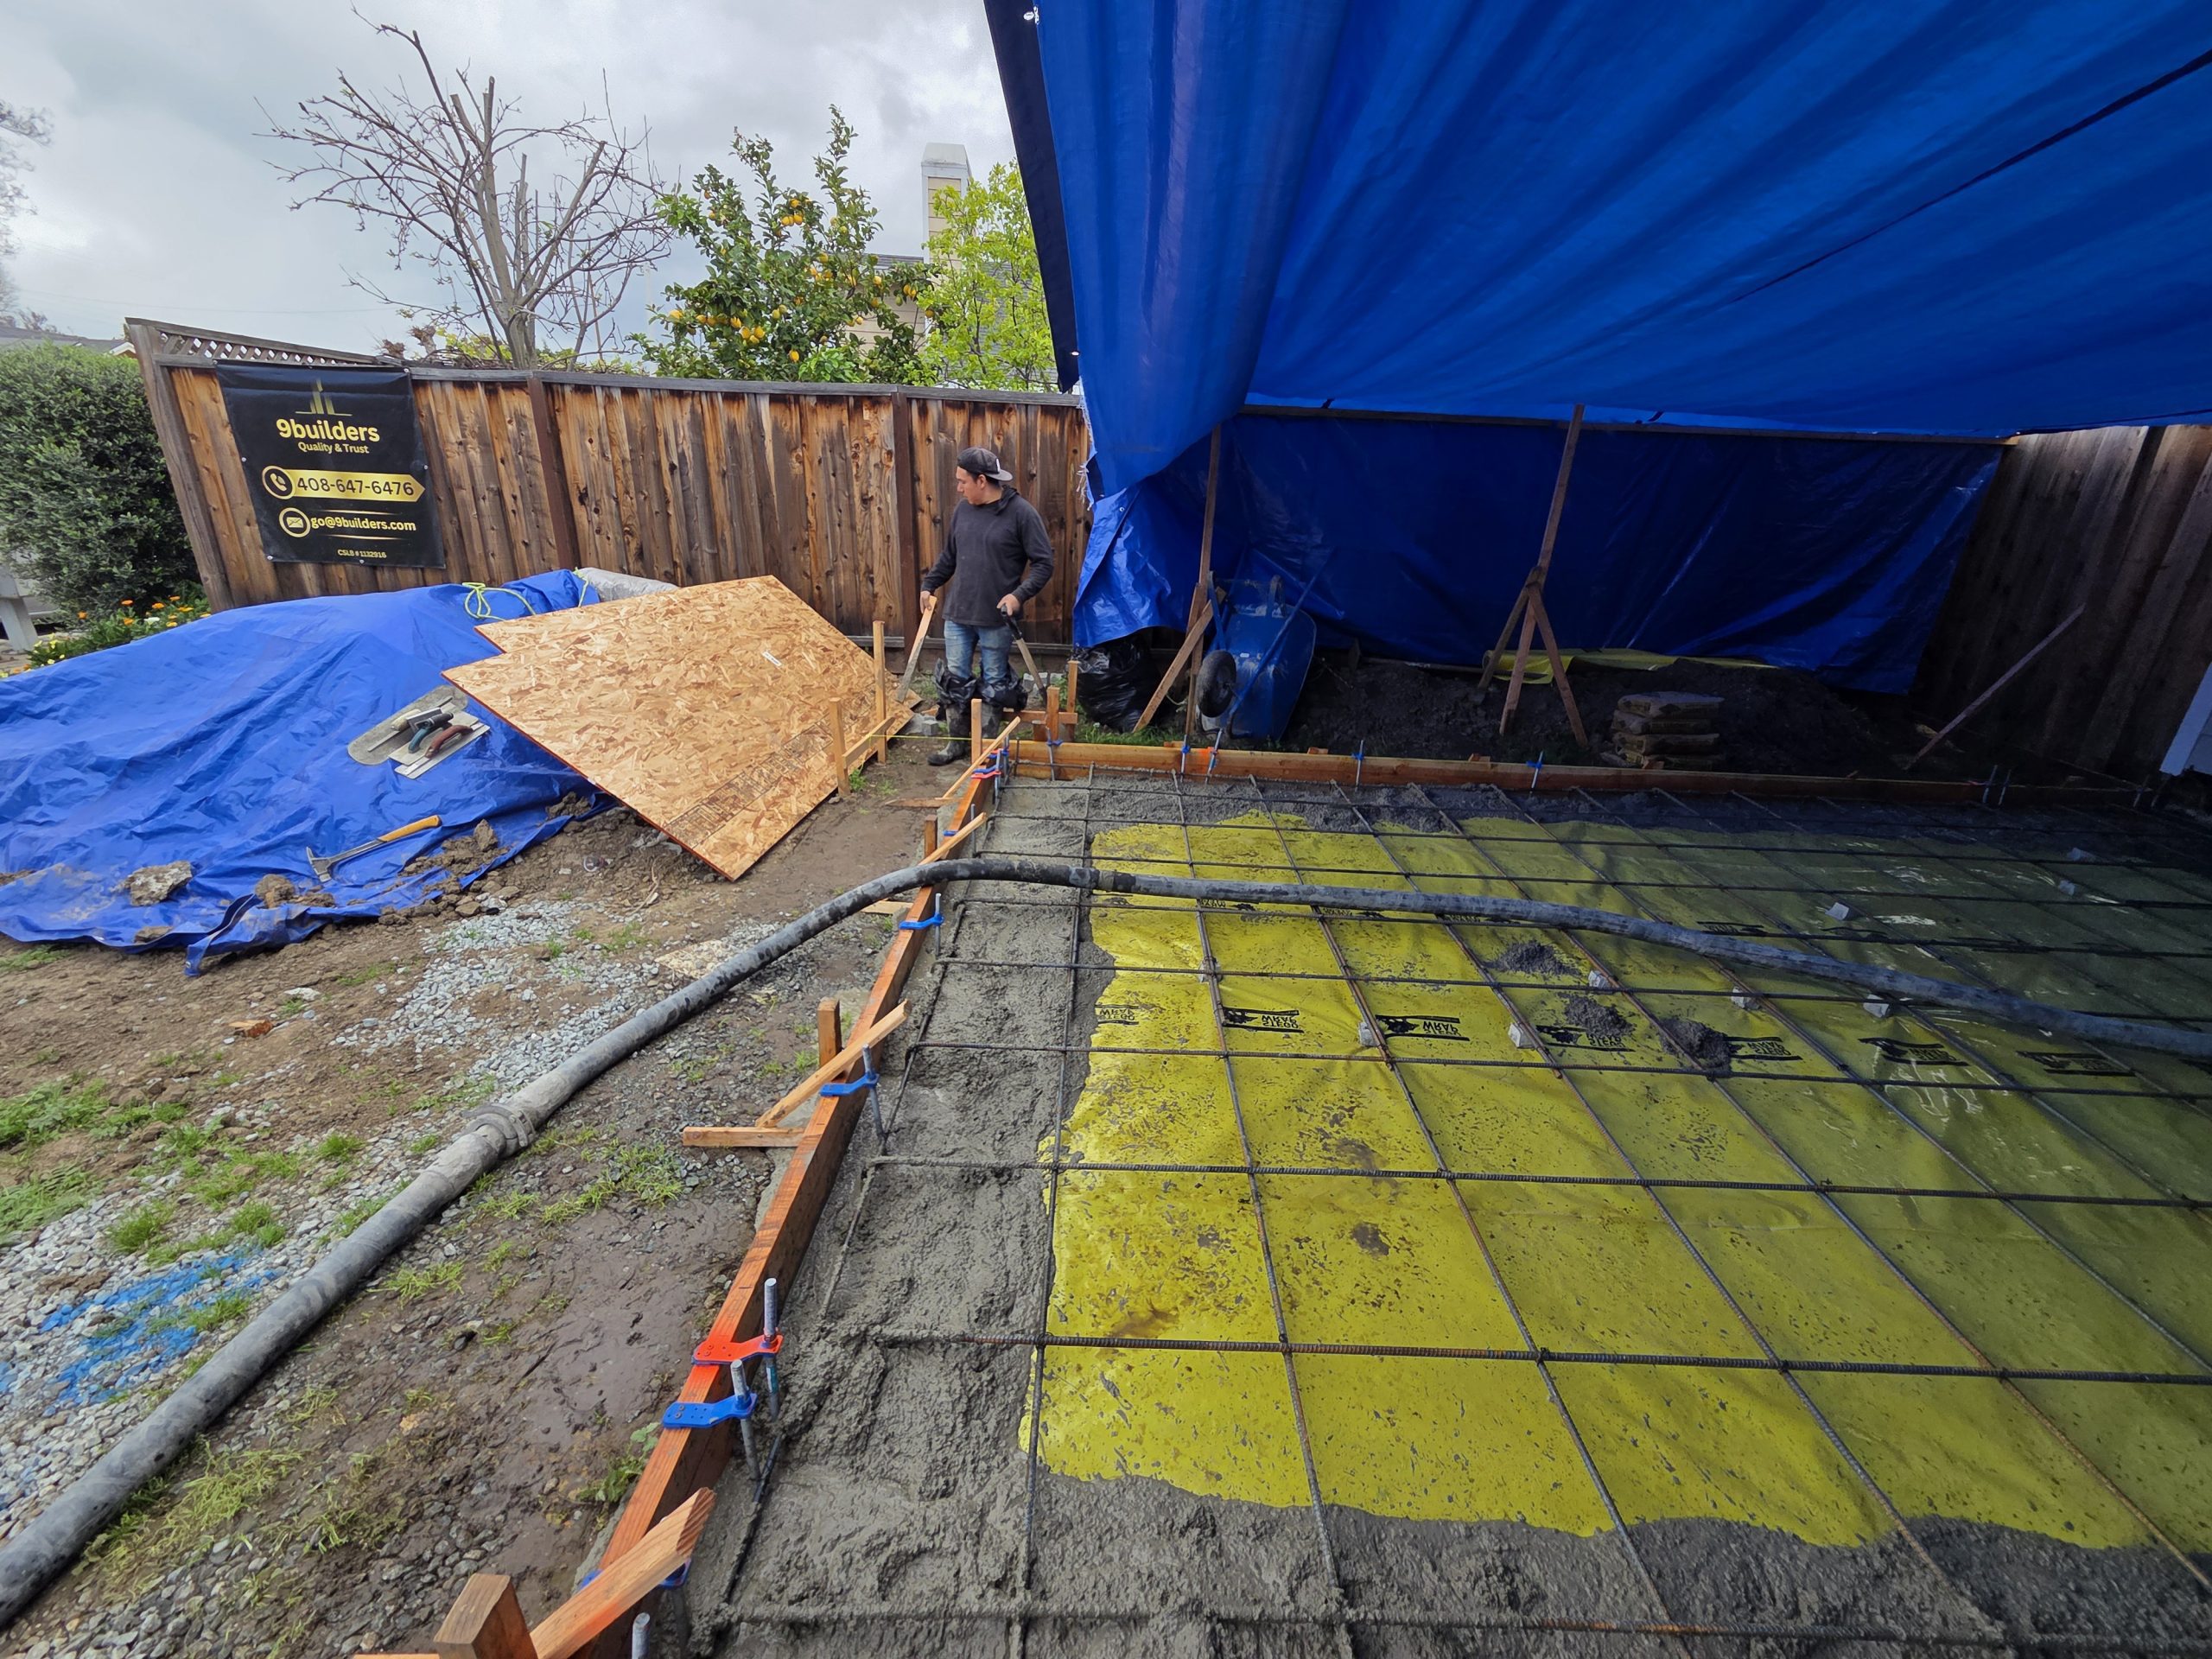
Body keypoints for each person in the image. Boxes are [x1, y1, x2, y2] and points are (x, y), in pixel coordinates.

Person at [919, 445, 1055, 765]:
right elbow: (949, 557)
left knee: (995, 684)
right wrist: (929, 583)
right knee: (955, 681)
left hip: (996, 618)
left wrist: (1018, 595)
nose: (958, 487)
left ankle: (991, 751)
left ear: (982, 480)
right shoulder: (962, 511)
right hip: (958, 614)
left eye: (962, 481)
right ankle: (957, 745)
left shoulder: (1021, 513)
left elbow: (1044, 563)